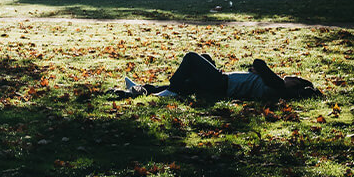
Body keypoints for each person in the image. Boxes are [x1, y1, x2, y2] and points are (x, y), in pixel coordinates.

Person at [114, 53, 322, 100]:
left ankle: (172, 90)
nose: (289, 75)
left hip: (222, 85)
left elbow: (258, 63)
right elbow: (255, 70)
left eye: (294, 77)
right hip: (221, 83)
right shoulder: (274, 87)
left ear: (295, 84)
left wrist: (259, 71)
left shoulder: (278, 85)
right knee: (204, 61)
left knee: (193, 58)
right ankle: (140, 89)